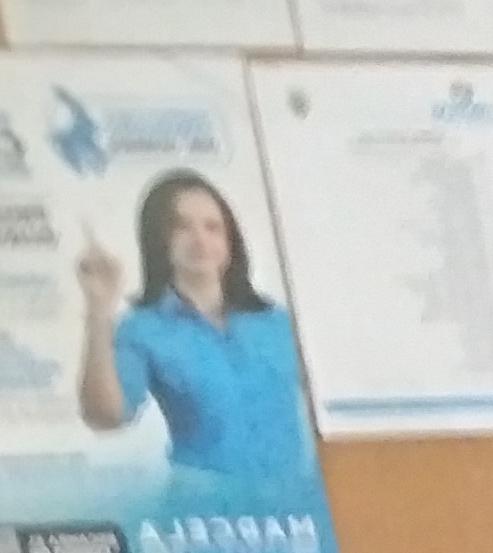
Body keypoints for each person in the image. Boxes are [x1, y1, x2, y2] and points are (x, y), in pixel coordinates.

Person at [74, 167, 318, 484]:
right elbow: (106, 416)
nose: (200, 239)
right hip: (202, 503)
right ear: (158, 239)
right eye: (181, 227)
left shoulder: (277, 322)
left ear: (230, 240)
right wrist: (98, 310)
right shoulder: (143, 329)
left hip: (291, 501)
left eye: (213, 227)